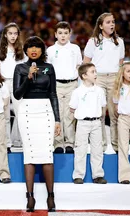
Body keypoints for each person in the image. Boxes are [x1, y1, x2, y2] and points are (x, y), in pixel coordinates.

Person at [13, 36, 60, 212]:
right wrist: (29, 77)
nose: (33, 50)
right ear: (26, 50)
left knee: (47, 153)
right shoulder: (21, 68)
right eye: (30, 47)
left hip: (46, 110)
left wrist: (57, 119)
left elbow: (53, 94)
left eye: (37, 47)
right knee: (30, 153)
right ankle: (30, 197)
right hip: (27, 111)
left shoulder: (49, 68)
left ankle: (50, 196)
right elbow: (17, 94)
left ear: (42, 50)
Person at [83, 12, 125, 153]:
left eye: (113, 21)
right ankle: (100, 146)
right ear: (100, 26)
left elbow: (121, 65)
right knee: (99, 113)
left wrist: (120, 82)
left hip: (114, 78)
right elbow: (86, 63)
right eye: (108, 22)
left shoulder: (119, 42)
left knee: (115, 114)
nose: (112, 24)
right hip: (98, 78)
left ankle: (117, 146)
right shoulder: (93, 41)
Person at [47, 21, 82, 154]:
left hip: (72, 84)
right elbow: (48, 70)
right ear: (55, 34)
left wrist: (79, 86)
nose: (63, 36)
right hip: (56, 85)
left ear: (70, 34)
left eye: (66, 33)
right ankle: (57, 143)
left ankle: (69, 143)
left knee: (70, 115)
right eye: (60, 33)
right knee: (57, 114)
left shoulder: (75, 49)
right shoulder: (50, 50)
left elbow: (79, 67)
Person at [69, 63, 107, 184]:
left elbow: (103, 106)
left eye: (95, 71)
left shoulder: (99, 90)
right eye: (92, 72)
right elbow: (72, 108)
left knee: (97, 149)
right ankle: (78, 175)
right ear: (84, 76)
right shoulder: (77, 92)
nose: (95, 74)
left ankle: (98, 175)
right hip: (82, 123)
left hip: (96, 123)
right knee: (80, 149)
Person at [0, 23, 27, 152]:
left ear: (18, 35)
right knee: (5, 114)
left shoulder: (22, 50)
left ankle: (19, 140)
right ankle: (6, 142)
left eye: (15, 33)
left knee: (21, 113)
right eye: (10, 33)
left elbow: (25, 68)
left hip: (17, 82)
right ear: (5, 35)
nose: (13, 36)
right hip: (3, 83)